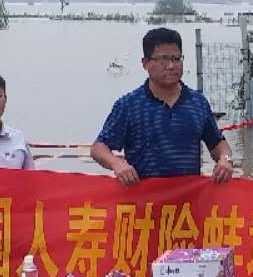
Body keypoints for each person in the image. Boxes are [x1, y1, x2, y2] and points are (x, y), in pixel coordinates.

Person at [91, 27, 235, 185]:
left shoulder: (198, 103)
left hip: (188, 198)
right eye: (163, 60)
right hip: (143, 198)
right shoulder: (128, 105)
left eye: (176, 59)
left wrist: (225, 159)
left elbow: (218, 144)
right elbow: (98, 148)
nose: (171, 66)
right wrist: (117, 163)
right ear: (145, 63)